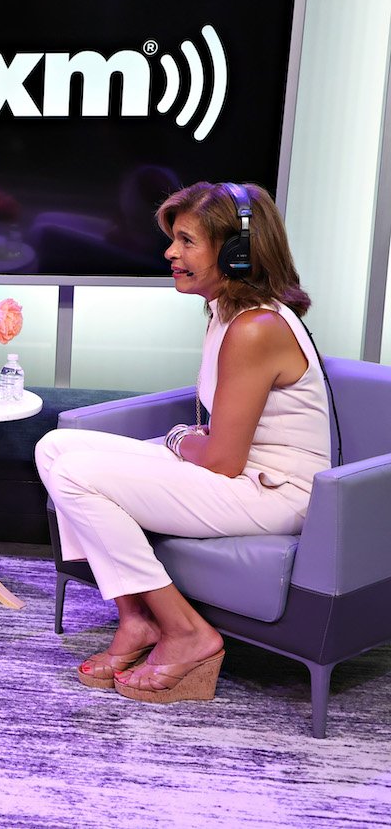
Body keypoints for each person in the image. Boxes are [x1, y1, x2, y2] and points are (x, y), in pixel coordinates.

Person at [35, 182, 330, 703]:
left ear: (237, 252)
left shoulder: (256, 327)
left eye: (187, 241)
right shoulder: (225, 309)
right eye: (173, 239)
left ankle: (187, 632)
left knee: (74, 474)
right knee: (55, 447)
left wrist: (176, 439)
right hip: (240, 475)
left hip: (275, 493)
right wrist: (186, 441)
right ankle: (136, 620)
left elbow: (220, 459)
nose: (170, 253)